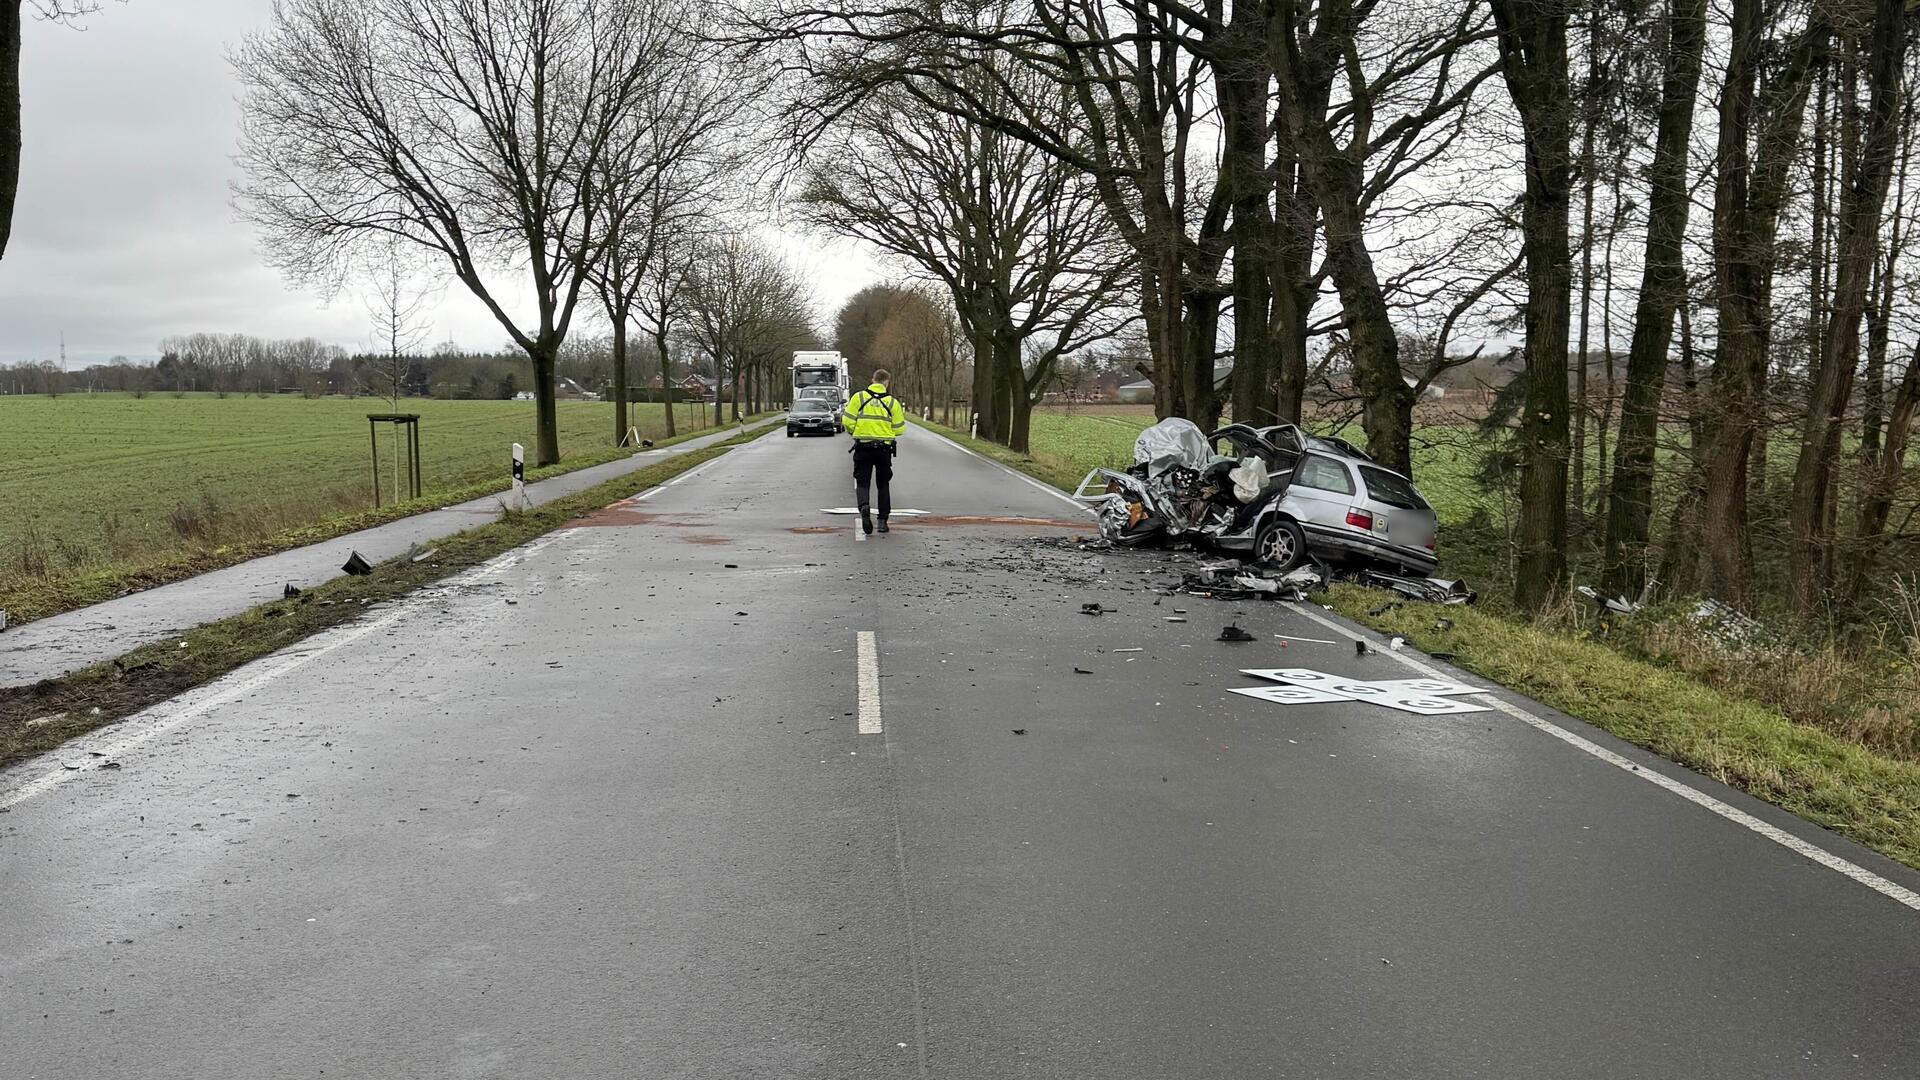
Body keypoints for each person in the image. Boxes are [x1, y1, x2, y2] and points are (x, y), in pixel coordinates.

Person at [842, 370, 907, 534]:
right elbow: (899, 429)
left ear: (872, 380)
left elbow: (847, 421)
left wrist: (855, 432)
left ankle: (864, 506)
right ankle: (883, 522)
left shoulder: (859, 398)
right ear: (887, 383)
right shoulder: (892, 403)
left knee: (862, 481)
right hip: (884, 448)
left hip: (863, 446)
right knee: (883, 484)